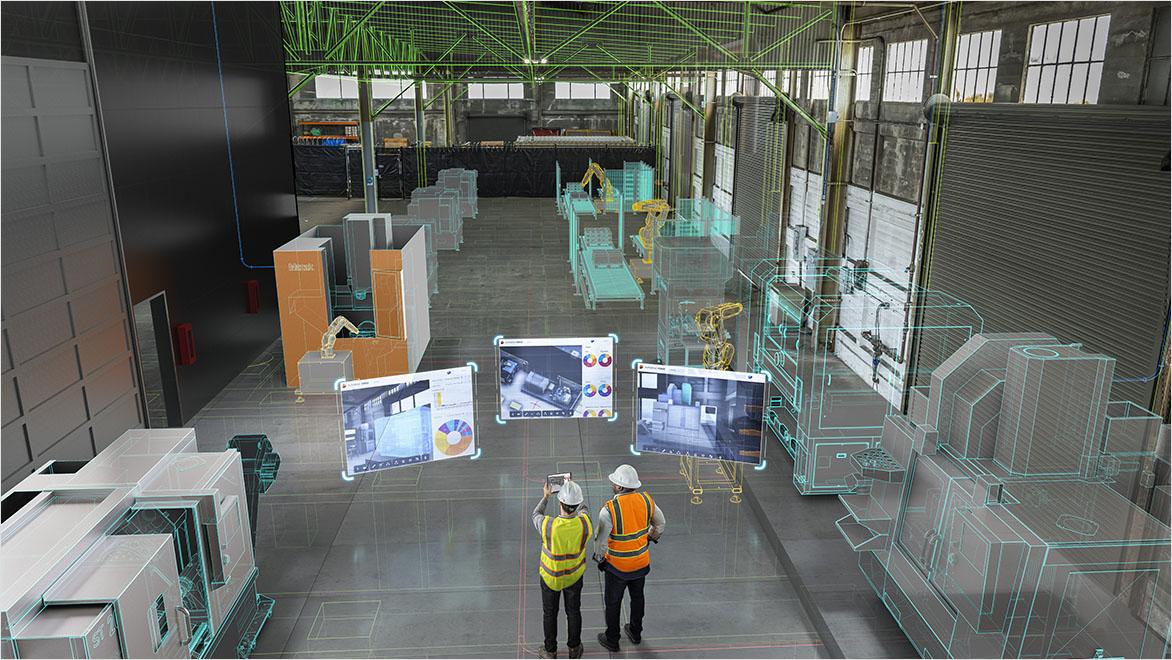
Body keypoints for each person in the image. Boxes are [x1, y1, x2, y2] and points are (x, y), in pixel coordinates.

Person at [594, 464, 665, 652]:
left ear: (619, 487)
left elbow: (601, 541)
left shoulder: (609, 510)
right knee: (637, 597)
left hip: (617, 567)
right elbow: (660, 524)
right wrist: (650, 538)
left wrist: (600, 558)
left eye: (614, 483)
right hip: (640, 563)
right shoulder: (646, 500)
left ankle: (612, 639)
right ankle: (635, 632)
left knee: (613, 603)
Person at [532, 478, 592, 659]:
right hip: (574, 577)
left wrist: (546, 496)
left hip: (551, 578)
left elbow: (536, 514)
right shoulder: (585, 523)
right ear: (576, 504)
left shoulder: (549, 525)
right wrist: (574, 490)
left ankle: (550, 650)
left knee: (550, 613)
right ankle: (574, 648)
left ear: (560, 503)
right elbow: (584, 509)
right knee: (573, 611)